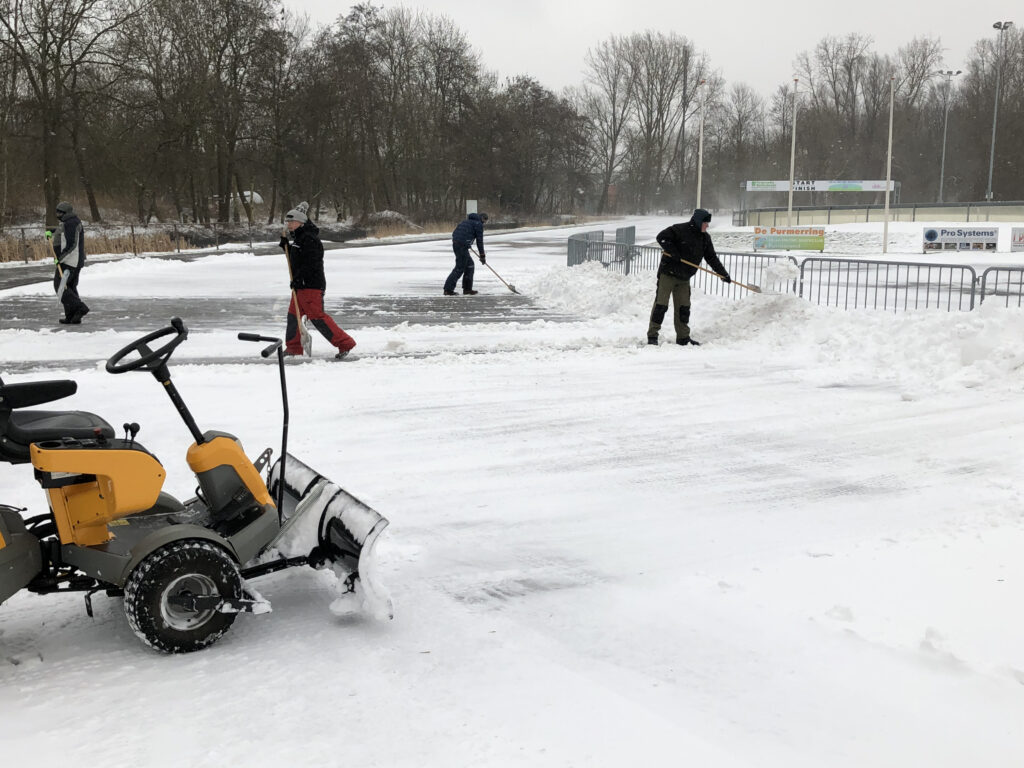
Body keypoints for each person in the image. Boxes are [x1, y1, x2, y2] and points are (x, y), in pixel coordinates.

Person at [279, 204, 356, 359]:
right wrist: (286, 246)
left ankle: (345, 343)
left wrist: (299, 278)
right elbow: (296, 261)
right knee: (293, 316)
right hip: (300, 286)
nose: (288, 225)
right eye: (287, 222)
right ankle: (294, 347)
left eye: (291, 222)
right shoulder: (299, 238)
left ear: (300, 222)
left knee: (317, 317)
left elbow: (311, 263)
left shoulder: (309, 239)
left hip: (311, 286)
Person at [647, 208, 730, 346]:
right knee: (661, 305)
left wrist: (723, 273)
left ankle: (683, 337)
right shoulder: (679, 230)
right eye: (705, 223)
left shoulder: (705, 238)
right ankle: (652, 336)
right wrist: (673, 252)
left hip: (684, 278)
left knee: (683, 308)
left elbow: (712, 258)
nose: (707, 225)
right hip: (668, 273)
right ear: (698, 221)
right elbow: (661, 237)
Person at [52, 201, 90, 325]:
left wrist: (60, 258)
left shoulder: (71, 223)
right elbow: (64, 234)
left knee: (60, 287)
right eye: (57, 211)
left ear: (66, 212)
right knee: (70, 288)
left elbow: (72, 244)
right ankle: (73, 316)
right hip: (71, 261)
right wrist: (53, 232)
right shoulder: (67, 222)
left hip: (70, 262)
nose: (57, 214)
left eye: (60, 212)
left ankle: (80, 308)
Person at [444, 212, 488, 296]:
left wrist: (464, 242)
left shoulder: (465, 221)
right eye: (484, 221)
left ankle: (467, 289)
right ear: (482, 218)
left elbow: (455, 233)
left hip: (457, 244)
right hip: (462, 246)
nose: (484, 223)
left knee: (469, 265)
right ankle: (448, 290)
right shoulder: (478, 224)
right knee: (460, 267)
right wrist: (482, 256)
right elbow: (480, 241)